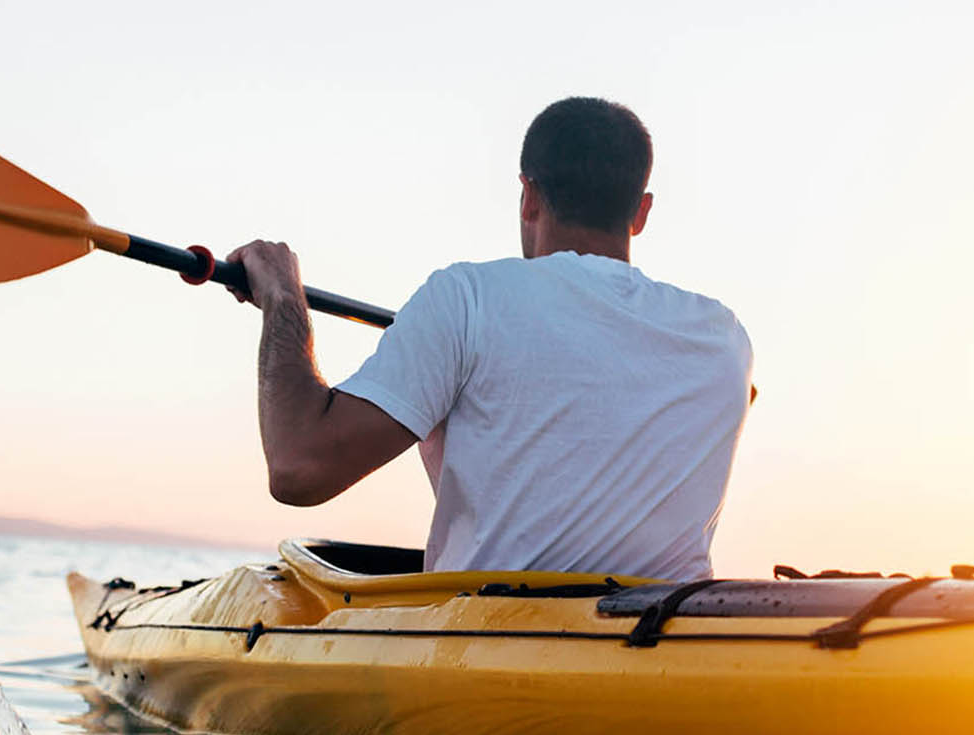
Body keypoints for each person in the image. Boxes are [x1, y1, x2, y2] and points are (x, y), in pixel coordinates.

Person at [227, 97, 752, 580]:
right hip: (662, 647)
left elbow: (299, 469)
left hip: (492, 645)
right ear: (641, 212)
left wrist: (283, 300)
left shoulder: (467, 298)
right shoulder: (725, 341)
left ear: (528, 197)